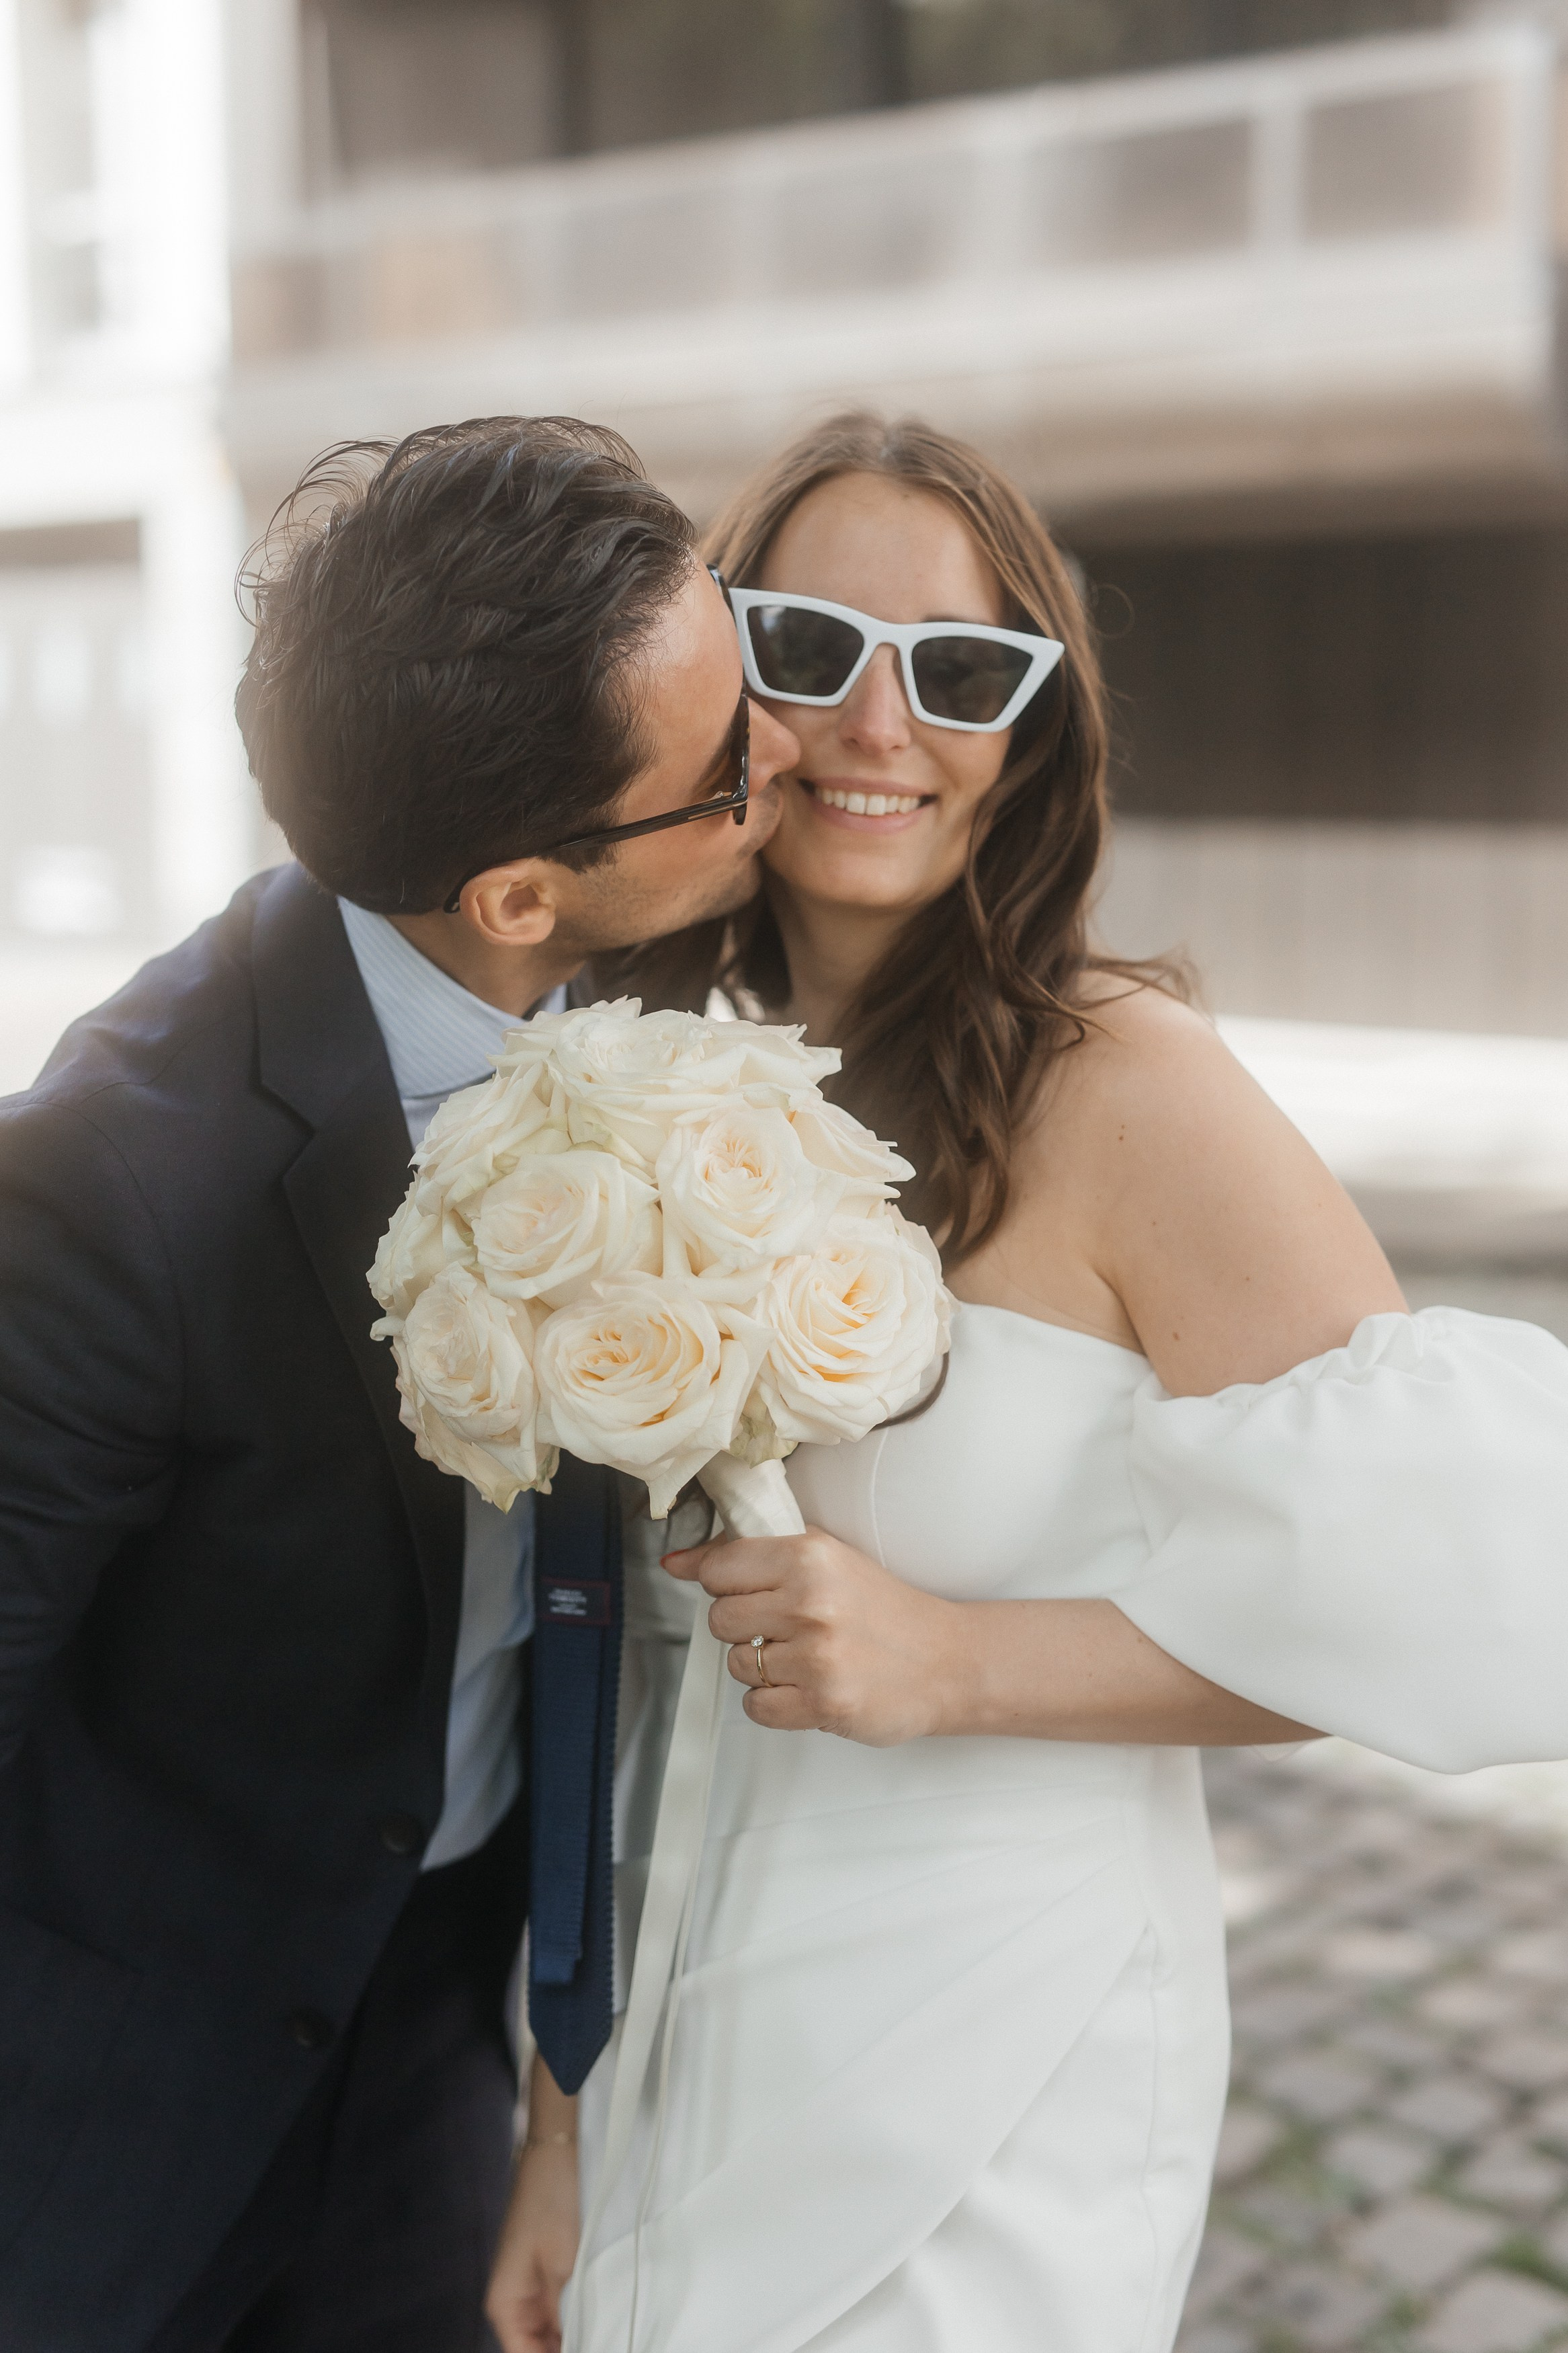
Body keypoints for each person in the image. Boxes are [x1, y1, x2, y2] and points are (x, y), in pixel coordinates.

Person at [487, 413, 1568, 2353]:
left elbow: (1468, 1589)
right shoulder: (644, 1075)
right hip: (674, 2022)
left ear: (1031, 732)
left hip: (990, 2053)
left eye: (964, 671)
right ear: (728, 678)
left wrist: (956, 1660)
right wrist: (562, 2117)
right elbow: (616, 1674)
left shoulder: (1124, 1084)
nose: (880, 724)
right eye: (810, 649)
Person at [0, 415, 806, 2353]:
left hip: (444, 2020)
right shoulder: (116, 1178)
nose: (787, 755)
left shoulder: (649, 980)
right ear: (523, 894)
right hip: (109, 2088)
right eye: (727, 768)